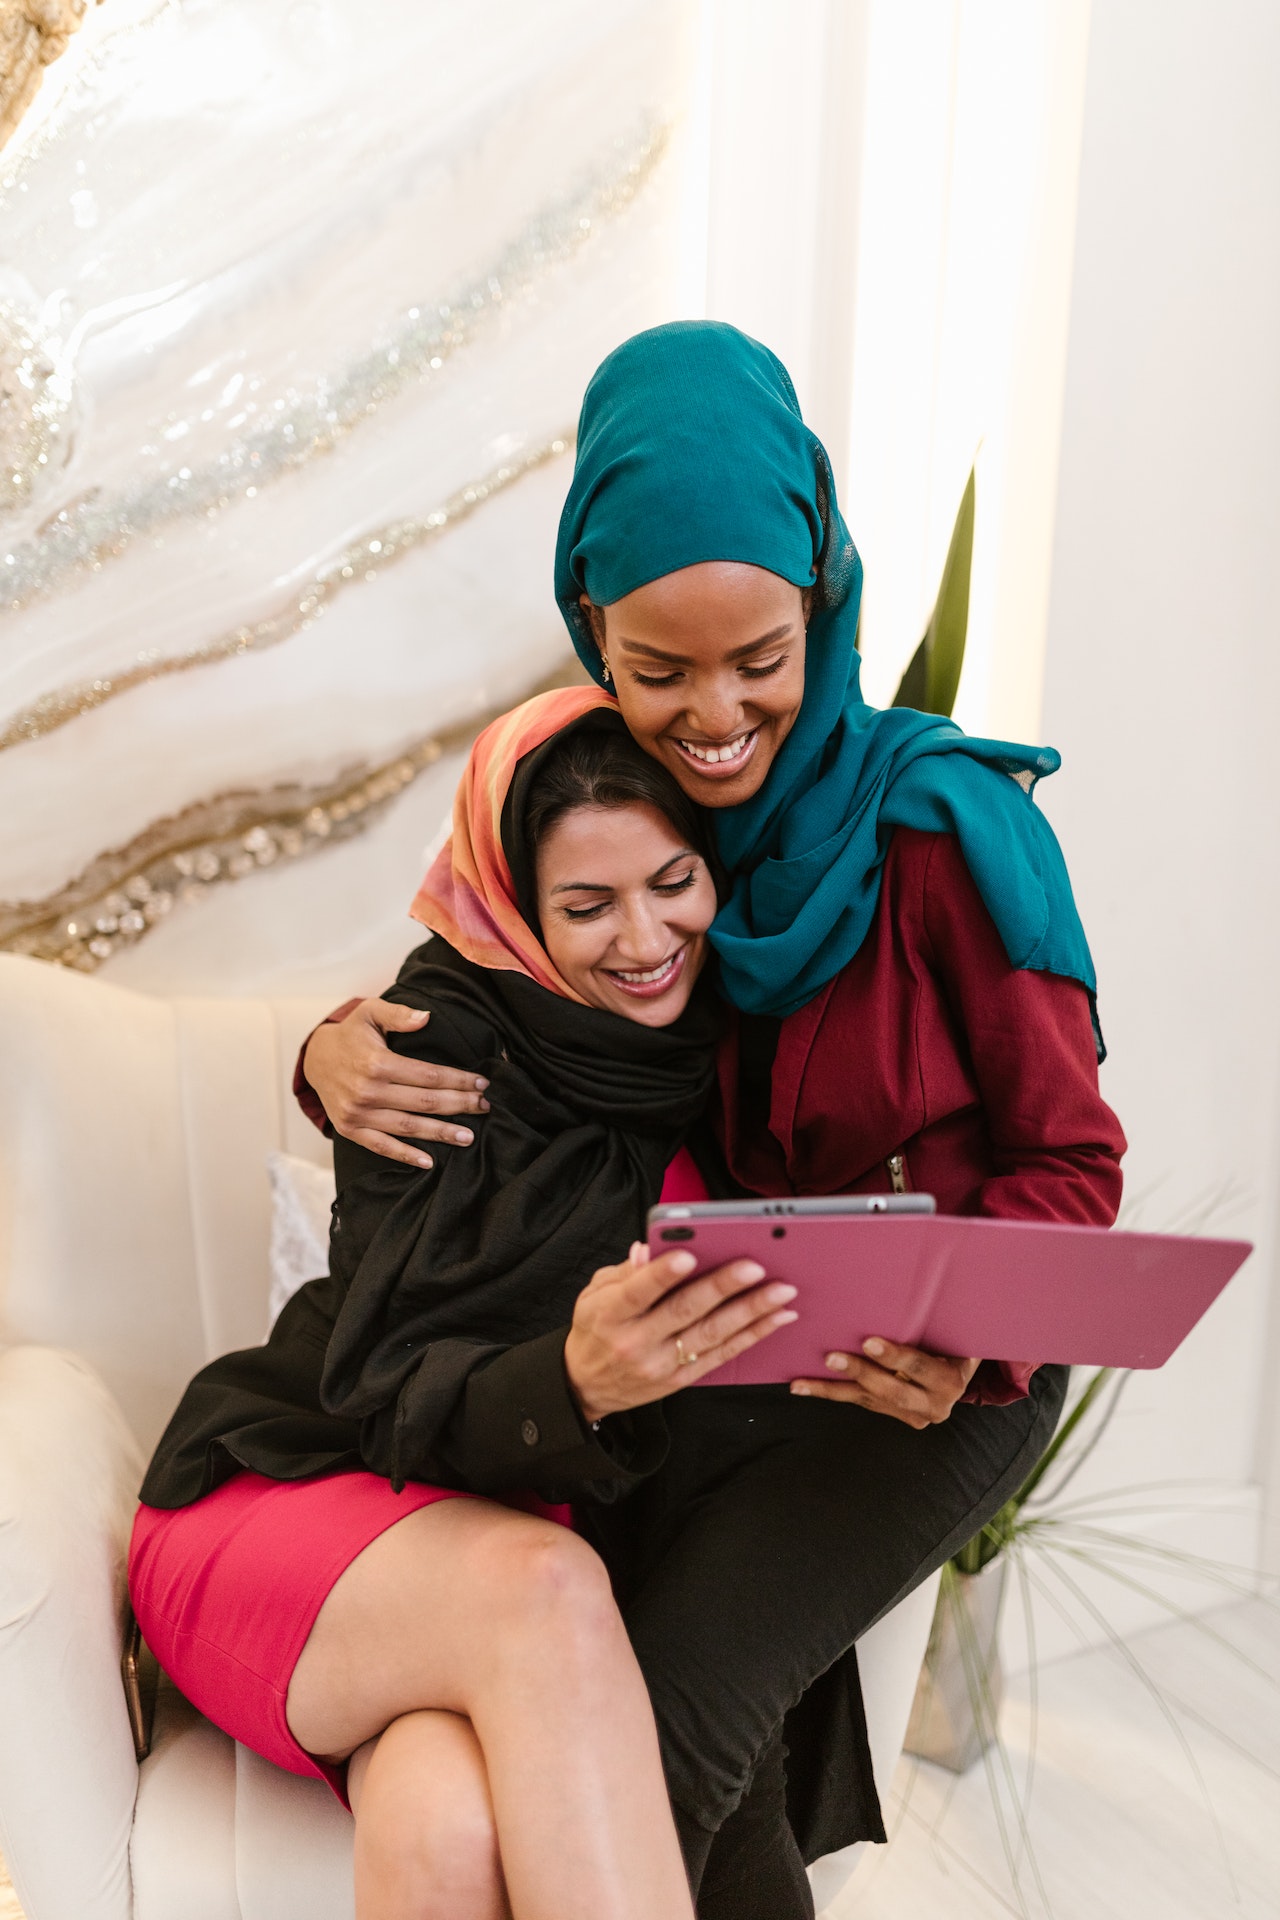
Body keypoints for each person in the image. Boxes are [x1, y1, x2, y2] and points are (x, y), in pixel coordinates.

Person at [298, 321, 1127, 1917]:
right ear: (588, 625)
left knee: (659, 1748)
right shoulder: (659, 827)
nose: (718, 715)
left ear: (823, 593)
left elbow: (1074, 1169)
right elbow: (502, 985)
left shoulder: (954, 826)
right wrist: (332, 1049)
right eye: (658, 669)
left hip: (934, 1381)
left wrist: (973, 1337)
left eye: (764, 657)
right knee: (677, 1748)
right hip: (736, 1363)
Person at [129, 701, 806, 1920]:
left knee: (446, 1829)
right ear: (514, 910)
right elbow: (383, 1396)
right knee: (542, 1586)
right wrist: (578, 1381)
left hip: (509, 1589)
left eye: (672, 882)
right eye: (587, 907)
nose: (645, 939)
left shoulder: (749, 1058)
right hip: (311, 1499)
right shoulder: (429, 1047)